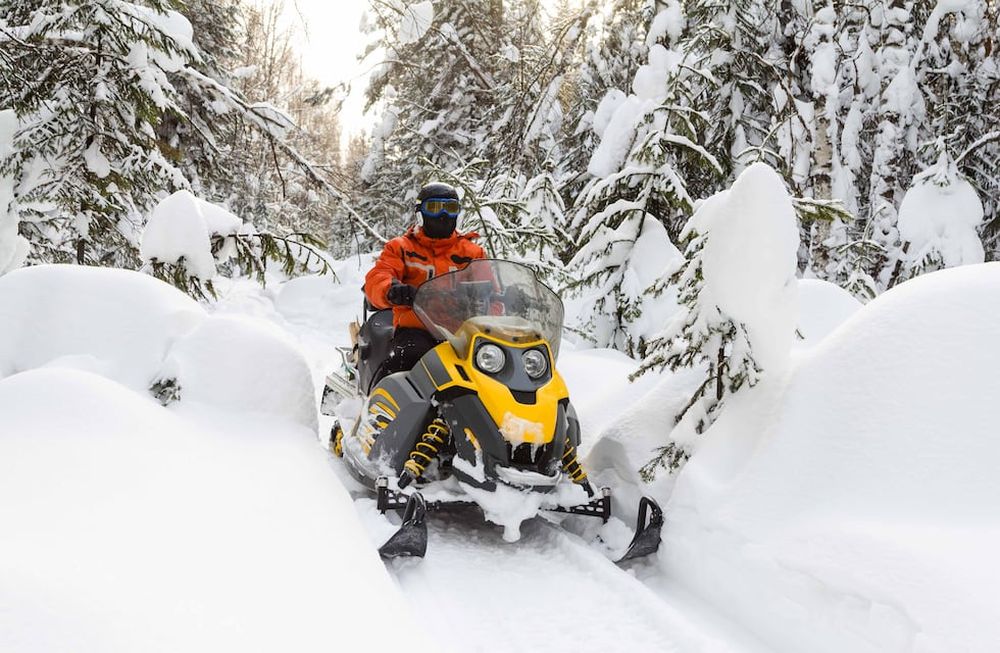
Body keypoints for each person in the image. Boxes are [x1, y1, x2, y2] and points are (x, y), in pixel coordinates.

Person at [364, 182, 485, 382]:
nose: (443, 215)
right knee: (405, 361)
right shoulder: (402, 247)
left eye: (451, 208)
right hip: (417, 330)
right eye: (435, 208)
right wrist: (392, 290)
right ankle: (381, 409)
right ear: (420, 213)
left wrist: (507, 300)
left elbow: (491, 288)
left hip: (463, 334)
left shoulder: (472, 253)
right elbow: (379, 275)